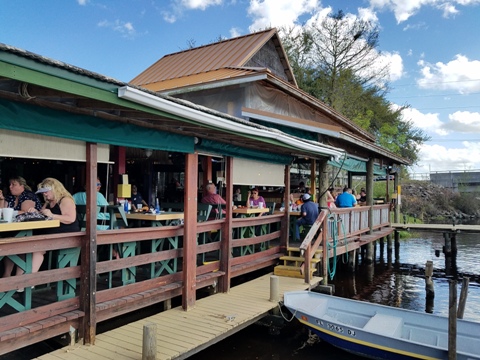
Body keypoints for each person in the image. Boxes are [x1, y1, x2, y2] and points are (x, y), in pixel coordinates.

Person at [3, 178, 79, 279]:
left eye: (46, 192)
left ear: (54, 189)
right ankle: (18, 279)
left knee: (36, 248)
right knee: (22, 245)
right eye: (43, 193)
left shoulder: (65, 200)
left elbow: (70, 218)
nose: (45, 195)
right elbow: (44, 215)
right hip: (49, 234)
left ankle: (27, 281)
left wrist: (52, 215)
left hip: (66, 235)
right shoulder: (48, 202)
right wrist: (36, 212)